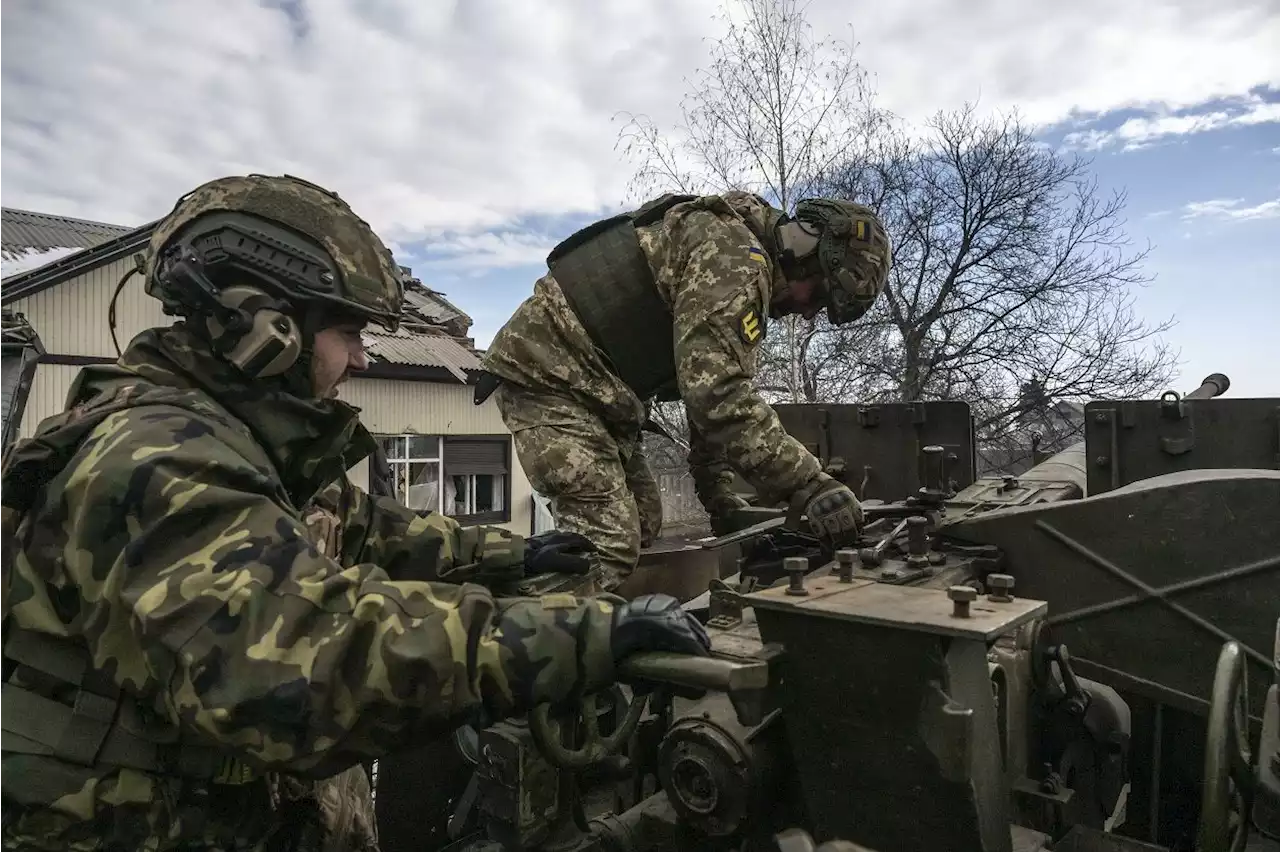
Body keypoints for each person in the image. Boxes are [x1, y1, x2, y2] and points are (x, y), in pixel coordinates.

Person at [0, 173, 711, 851]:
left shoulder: (231, 441)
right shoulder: (157, 459)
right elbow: (301, 662)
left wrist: (510, 556)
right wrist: (580, 636)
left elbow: (362, 525)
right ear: (266, 329)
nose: (365, 359)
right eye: (349, 333)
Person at [478, 191, 891, 590]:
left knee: (640, 522)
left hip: (596, 392)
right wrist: (811, 485)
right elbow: (717, 397)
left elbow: (706, 397)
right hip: (548, 376)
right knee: (605, 547)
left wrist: (721, 503)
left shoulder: (740, 253)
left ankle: (500, 580)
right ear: (806, 251)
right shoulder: (734, 261)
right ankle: (498, 639)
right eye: (817, 295)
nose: (806, 311)